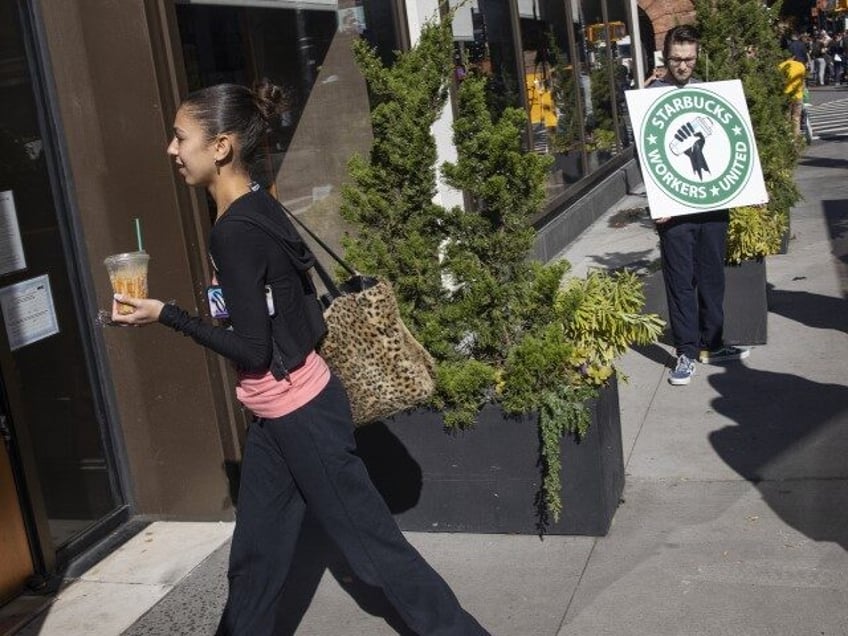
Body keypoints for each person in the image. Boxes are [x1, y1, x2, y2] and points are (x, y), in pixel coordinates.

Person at [110, 81, 489, 636]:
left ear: (220, 147)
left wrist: (166, 314)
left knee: (374, 552)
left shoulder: (233, 232)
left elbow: (254, 351)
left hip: (300, 415)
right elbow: (290, 312)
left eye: (179, 137)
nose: (172, 149)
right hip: (278, 417)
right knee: (257, 559)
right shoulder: (259, 202)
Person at [649, 25, 750, 386]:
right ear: (665, 56)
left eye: (689, 58)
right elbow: (645, 155)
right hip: (674, 209)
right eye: (677, 59)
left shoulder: (709, 95)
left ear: (697, 55)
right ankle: (686, 352)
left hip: (711, 204)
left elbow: (728, 141)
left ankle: (713, 343)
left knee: (712, 277)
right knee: (680, 282)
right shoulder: (651, 99)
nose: (683, 65)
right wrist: (656, 199)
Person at [779, 48, 807, 138]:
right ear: (794, 57)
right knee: (796, 118)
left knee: (786, 117)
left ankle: (787, 137)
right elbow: (803, 80)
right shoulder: (801, 66)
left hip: (786, 94)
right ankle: (796, 138)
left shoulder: (781, 66)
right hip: (798, 95)